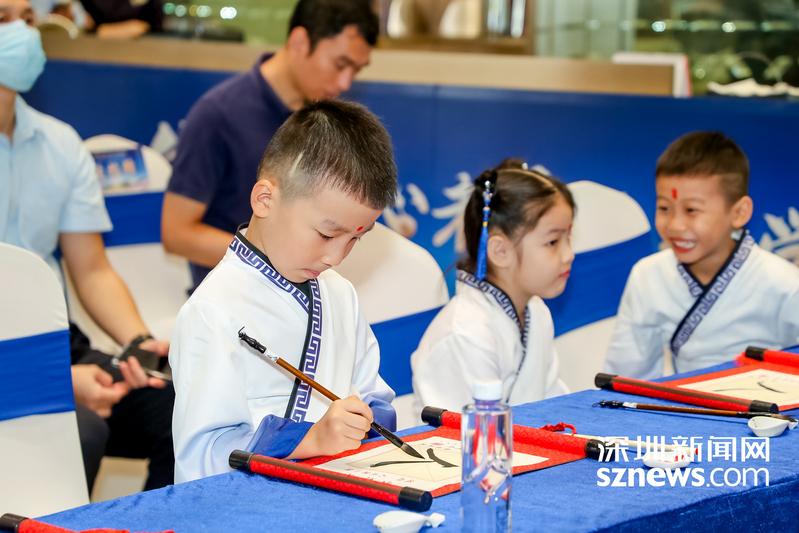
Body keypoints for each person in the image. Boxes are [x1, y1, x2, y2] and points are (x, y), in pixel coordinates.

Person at [170, 100, 398, 483]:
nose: (336, 256)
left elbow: (374, 394)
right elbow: (202, 455)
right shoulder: (213, 310)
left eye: (356, 237)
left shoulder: (339, 294)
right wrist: (308, 439)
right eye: (327, 233)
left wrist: (367, 418)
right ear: (265, 200)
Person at [0, 1, 174, 490]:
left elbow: (92, 269)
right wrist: (52, 384)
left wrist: (139, 345)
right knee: (82, 431)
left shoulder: (60, 145)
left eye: (27, 20)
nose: (21, 33)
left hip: (52, 341)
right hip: (14, 354)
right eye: (2, 20)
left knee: (177, 408)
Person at [161, 0, 378, 293]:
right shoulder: (218, 114)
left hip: (309, 297)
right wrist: (274, 256)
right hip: (233, 299)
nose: (345, 82)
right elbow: (177, 234)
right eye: (340, 64)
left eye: (356, 70)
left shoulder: (329, 122)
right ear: (300, 41)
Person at [604, 131, 799, 379]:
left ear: (739, 212)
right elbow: (628, 374)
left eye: (691, 210)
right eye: (664, 208)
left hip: (766, 414)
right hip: (680, 410)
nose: (674, 225)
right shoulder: (648, 275)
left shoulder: (784, 284)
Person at [411, 163, 573, 415]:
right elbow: (457, 439)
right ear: (500, 251)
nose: (568, 254)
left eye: (568, 238)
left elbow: (552, 405)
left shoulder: (536, 311)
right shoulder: (464, 332)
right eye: (552, 242)